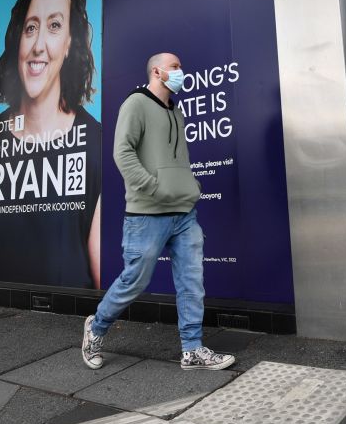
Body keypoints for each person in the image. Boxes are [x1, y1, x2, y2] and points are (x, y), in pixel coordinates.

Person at [81, 52, 234, 371]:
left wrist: (190, 187)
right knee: (134, 280)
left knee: (192, 281)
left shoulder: (176, 112)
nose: (181, 72)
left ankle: (192, 348)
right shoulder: (136, 104)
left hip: (183, 214)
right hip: (147, 215)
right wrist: (153, 187)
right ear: (156, 71)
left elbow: (179, 159)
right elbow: (121, 152)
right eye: (176, 67)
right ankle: (96, 328)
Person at [0, 0, 102, 288]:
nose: (38, 46)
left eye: (55, 26)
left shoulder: (97, 144)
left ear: (70, 42)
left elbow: (105, 279)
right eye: (31, 27)